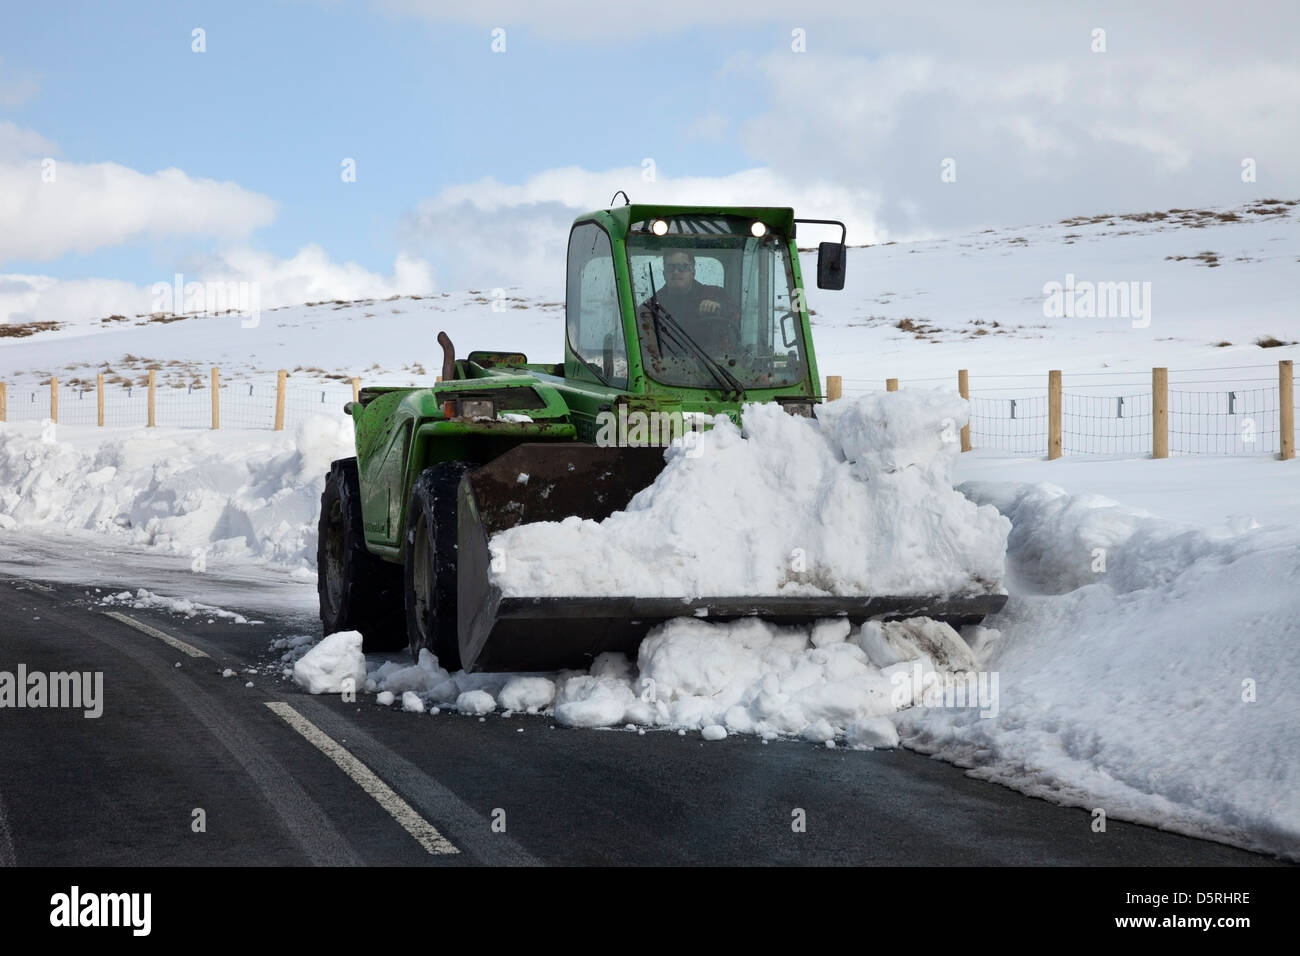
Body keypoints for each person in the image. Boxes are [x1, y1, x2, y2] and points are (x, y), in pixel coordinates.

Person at [638, 250, 738, 359]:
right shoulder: (650, 308)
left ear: (693, 272)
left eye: (683, 267)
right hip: (665, 370)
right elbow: (645, 350)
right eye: (670, 268)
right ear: (664, 274)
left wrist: (719, 308)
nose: (676, 272)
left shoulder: (715, 294)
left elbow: (734, 315)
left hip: (714, 368)